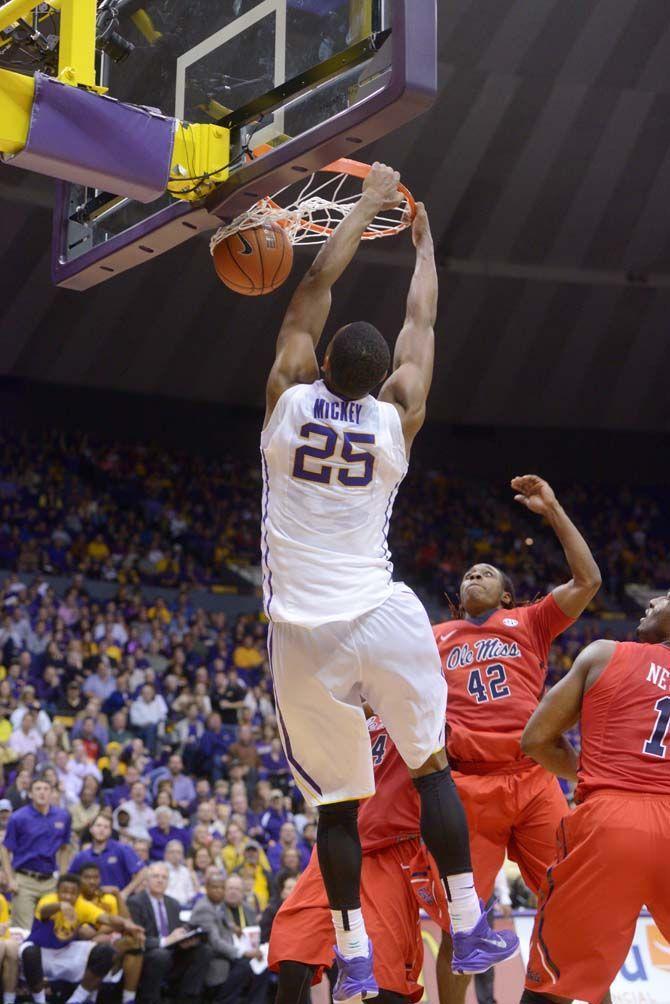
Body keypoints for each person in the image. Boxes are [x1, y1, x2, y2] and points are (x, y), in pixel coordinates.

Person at [261, 164, 517, 999]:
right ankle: (473, 917)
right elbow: (421, 318)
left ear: (322, 359)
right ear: (379, 381)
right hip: (384, 613)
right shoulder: (397, 417)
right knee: (432, 766)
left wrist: (366, 201)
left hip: (303, 632)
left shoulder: (287, 401)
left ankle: (354, 952)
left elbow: (314, 285)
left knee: (338, 803)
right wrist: (422, 241)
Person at [432, 475, 601, 1001]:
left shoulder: (527, 621)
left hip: (531, 779)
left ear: (504, 594)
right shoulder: (434, 637)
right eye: (466, 574)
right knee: (463, 926)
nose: (473, 575)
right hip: (467, 786)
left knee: (574, 896)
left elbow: (588, 580)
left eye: (484, 573)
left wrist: (551, 508)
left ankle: (548, 991)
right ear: (459, 597)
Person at [517, 589, 670, 1004]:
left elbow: (535, 739)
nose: (650, 603)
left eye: (663, 600)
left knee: (551, 988)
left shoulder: (604, 652)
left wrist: (589, 771)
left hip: (611, 819)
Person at [269, 714, 453, 1004]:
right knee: (293, 956)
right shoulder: (350, 704)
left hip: (392, 847)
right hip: (338, 840)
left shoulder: (424, 696)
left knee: (384, 984)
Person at [21, 872, 144, 1004]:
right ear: (57, 891)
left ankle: (77, 999)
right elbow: (44, 912)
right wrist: (59, 906)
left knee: (106, 951)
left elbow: (107, 918)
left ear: (78, 893)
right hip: (41, 949)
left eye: (73, 893)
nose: (68, 896)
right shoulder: (49, 900)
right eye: (64, 892)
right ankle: (39, 1001)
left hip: (66, 950)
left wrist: (126, 924)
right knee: (29, 952)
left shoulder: (82, 905)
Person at [127, 861, 211, 1004]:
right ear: (147, 880)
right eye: (155, 876)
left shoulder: (173, 903)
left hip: (173, 951)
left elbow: (177, 930)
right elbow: (136, 940)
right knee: (161, 955)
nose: (160, 880)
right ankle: (150, 999)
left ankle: (187, 998)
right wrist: (165, 941)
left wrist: (186, 938)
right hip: (147, 953)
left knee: (204, 951)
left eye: (164, 877)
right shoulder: (135, 902)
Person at [1, 778, 71, 930]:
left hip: (50, 880)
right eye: (38, 789)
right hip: (25, 880)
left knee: (51, 929)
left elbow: (65, 847)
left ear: (52, 793)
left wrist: (63, 876)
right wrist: (10, 878)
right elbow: (5, 849)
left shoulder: (63, 816)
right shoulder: (18, 817)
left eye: (46, 789)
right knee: (24, 931)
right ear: (31, 794)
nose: (42, 792)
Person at [190, 871, 263, 1004]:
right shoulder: (205, 907)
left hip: (229, 952)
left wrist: (233, 928)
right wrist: (244, 952)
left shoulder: (217, 905)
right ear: (206, 888)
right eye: (215, 887)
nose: (219, 891)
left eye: (221, 887)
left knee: (262, 966)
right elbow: (215, 942)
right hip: (214, 956)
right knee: (245, 965)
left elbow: (222, 921)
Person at [70, 813, 145, 899]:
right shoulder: (82, 856)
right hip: (91, 903)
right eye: (98, 826)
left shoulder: (122, 849)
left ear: (110, 831)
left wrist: (125, 892)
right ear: (91, 829)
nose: (102, 830)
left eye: (106, 827)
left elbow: (142, 871)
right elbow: (71, 878)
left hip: (118, 902)